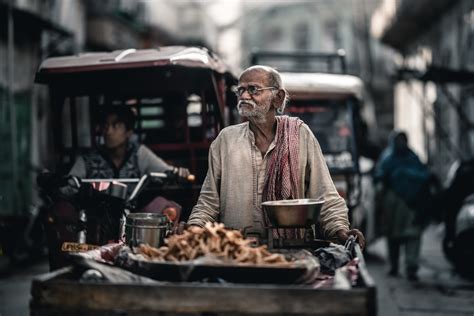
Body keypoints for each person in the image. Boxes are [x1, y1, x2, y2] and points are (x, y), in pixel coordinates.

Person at [187, 65, 365, 248]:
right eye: (240, 90)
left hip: (291, 248)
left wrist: (341, 231)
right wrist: (194, 227)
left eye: (253, 89)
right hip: (235, 251)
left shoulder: (300, 135)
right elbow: (208, 202)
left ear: (278, 98)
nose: (244, 96)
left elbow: (325, 196)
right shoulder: (225, 140)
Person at [68, 105, 190, 219]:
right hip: (94, 218)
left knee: (165, 206)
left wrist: (177, 173)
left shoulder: (139, 153)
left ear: (128, 132)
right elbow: (69, 182)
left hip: (130, 217)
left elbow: (164, 170)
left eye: (116, 126)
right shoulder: (88, 158)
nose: (108, 132)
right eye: (105, 126)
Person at [374, 130, 430, 281]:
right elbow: (379, 178)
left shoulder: (413, 158)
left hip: (411, 205)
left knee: (412, 235)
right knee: (393, 237)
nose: (401, 143)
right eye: (398, 140)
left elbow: (424, 177)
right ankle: (394, 265)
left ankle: (411, 266)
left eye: (403, 140)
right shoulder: (387, 159)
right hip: (393, 204)